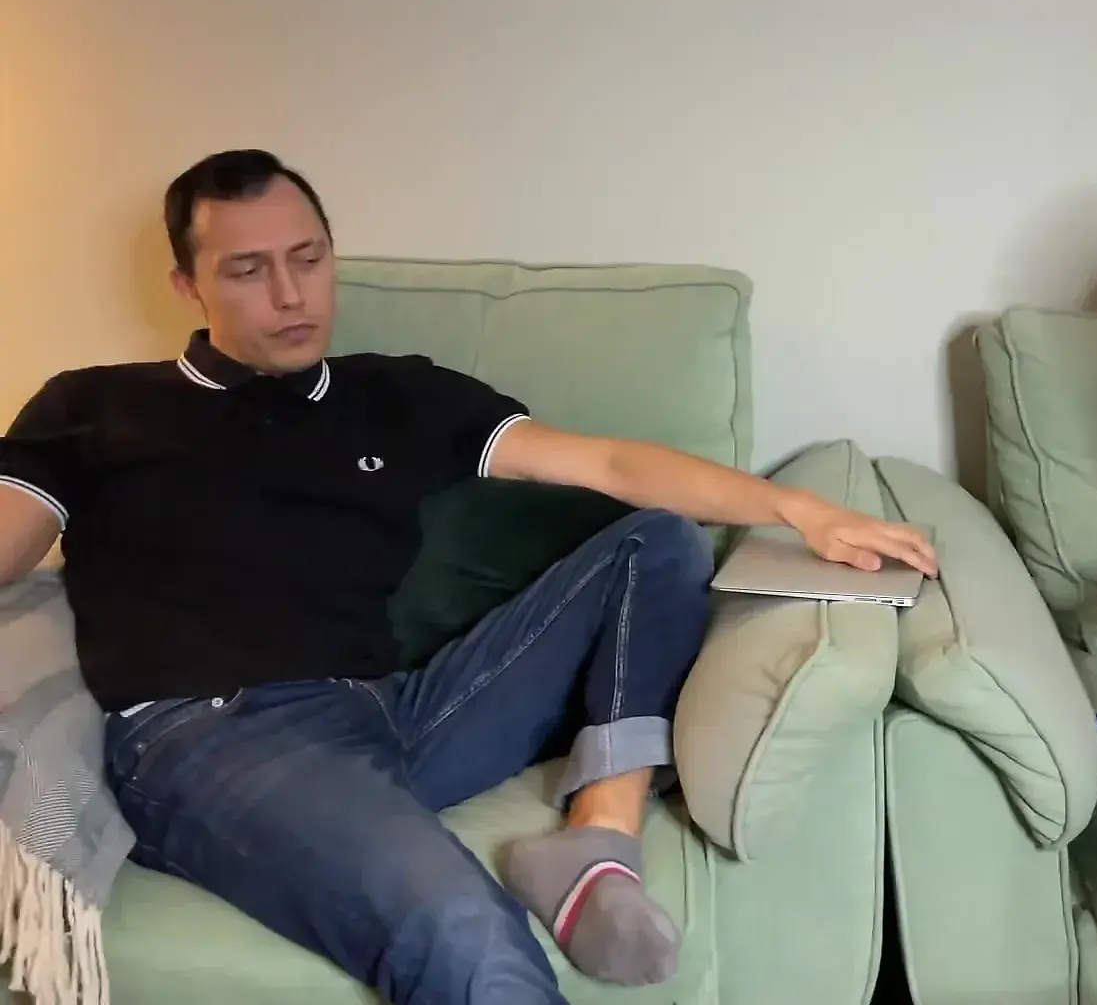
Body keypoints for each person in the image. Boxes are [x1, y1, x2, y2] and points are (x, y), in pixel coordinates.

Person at [0, 149, 939, 1005]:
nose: (290, 294)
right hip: (214, 736)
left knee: (656, 543)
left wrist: (799, 510)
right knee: (460, 928)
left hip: (395, 710)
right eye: (248, 270)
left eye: (309, 258)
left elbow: (609, 464)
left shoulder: (394, 393)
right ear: (187, 283)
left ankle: (597, 837)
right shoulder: (95, 406)